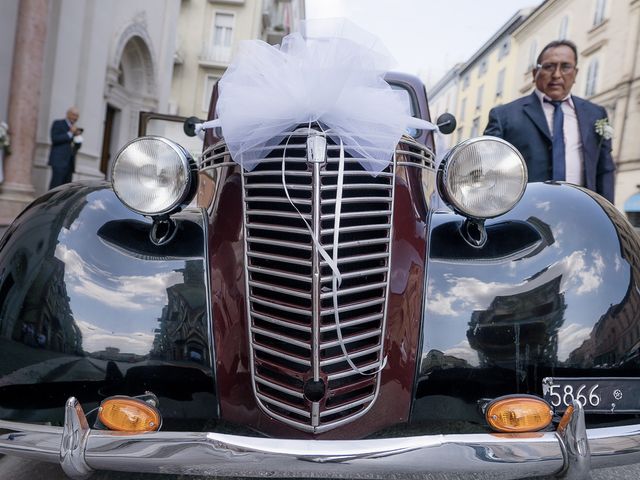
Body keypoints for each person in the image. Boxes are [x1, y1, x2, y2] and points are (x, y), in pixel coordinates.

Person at [484, 40, 615, 203]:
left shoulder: (596, 114)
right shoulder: (504, 116)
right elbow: (488, 170)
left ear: (575, 73)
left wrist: (607, 216)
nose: (557, 75)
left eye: (565, 67)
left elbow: (605, 169)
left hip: (581, 214)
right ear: (534, 73)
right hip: (522, 216)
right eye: (549, 67)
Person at [48, 107, 83, 189]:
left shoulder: (75, 128)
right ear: (68, 114)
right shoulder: (58, 123)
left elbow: (77, 147)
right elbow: (55, 139)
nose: (76, 118)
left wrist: (78, 137)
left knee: (65, 189)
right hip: (59, 161)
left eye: (77, 116)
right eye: (74, 115)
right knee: (56, 187)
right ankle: (52, 202)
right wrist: (70, 133)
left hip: (70, 163)